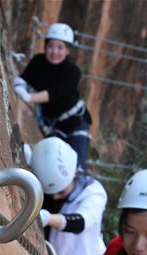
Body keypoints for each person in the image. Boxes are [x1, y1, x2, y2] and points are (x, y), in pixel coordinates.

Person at [14, 22, 92, 167]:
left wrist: (30, 97)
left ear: (68, 50)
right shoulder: (38, 62)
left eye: (60, 47)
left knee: (76, 167)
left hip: (74, 124)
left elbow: (55, 93)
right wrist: (19, 84)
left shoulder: (72, 72)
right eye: (50, 46)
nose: (54, 52)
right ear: (45, 46)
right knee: (54, 166)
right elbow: (24, 78)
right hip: (52, 126)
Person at [31, 137, 107, 255]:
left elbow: (81, 222)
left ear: (74, 174)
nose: (55, 198)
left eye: (61, 191)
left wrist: (47, 219)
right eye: (50, 194)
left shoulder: (93, 193)